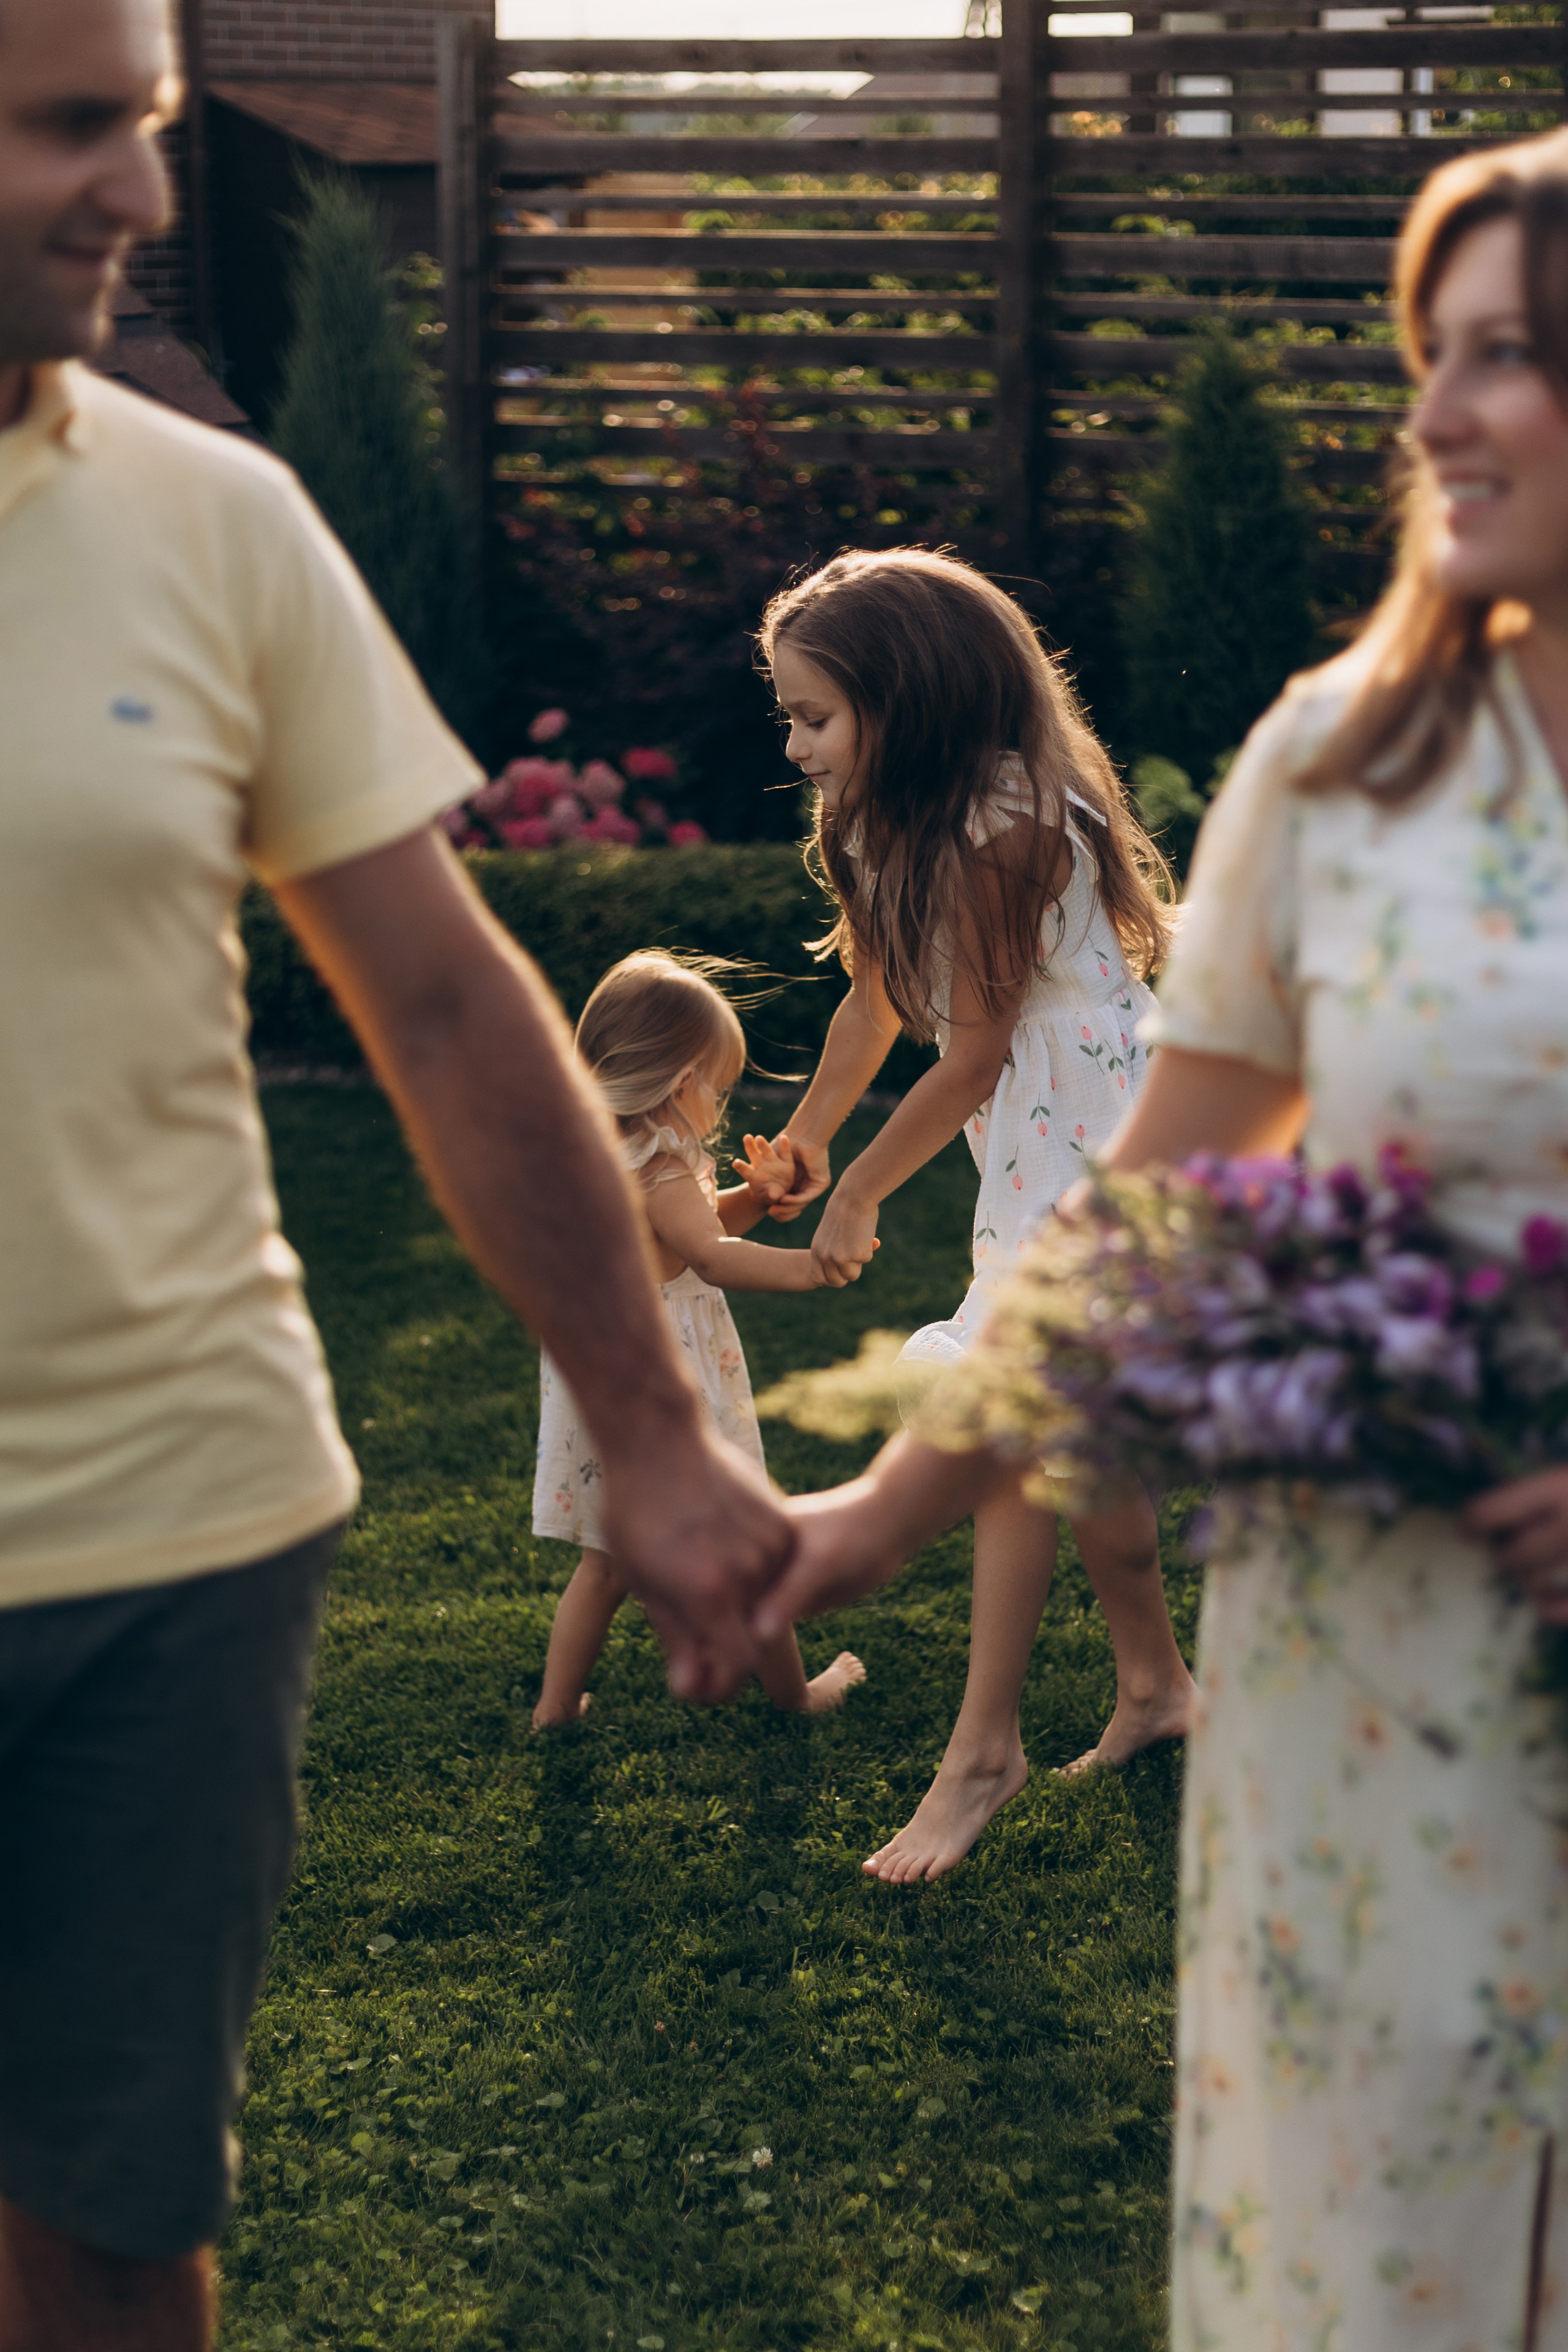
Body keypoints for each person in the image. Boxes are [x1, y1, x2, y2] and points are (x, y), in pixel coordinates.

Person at [0, 4, 793, 2346]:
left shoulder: (213, 524)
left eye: (138, 125)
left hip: (175, 1536)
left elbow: (448, 1007)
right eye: (65, 129)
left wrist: (651, 1435)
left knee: (115, 2225)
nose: (139, 197)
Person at [759, 124, 1568, 2350]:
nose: (1428, 415)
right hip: (1361, 1673)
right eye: (1428, 352)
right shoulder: (1338, 765)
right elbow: (1155, 1196)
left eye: (1505, 355)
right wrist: (882, 1504)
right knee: (1361, 2242)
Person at [752, 551, 1195, 1883]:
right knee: (1085, 1453)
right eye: (785, 713)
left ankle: (981, 1750)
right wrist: (811, 1137)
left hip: (1105, 1132)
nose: (793, 743)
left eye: (812, 716)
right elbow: (877, 1004)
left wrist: (864, 1192)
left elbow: (975, 1055)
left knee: (1005, 1411)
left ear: (912, 699)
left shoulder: (1004, 820)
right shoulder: (889, 812)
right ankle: (1157, 1689)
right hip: (1039, 1137)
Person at [531, 953, 865, 1726]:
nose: (718, 1103)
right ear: (681, 1083)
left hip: (606, 1382)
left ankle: (554, 1709)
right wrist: (811, 1269)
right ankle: (796, 1696)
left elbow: (687, 1235)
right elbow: (710, 1257)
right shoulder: (663, 1166)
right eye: (716, 1088)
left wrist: (753, 1196)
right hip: (668, 1389)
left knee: (606, 1565)